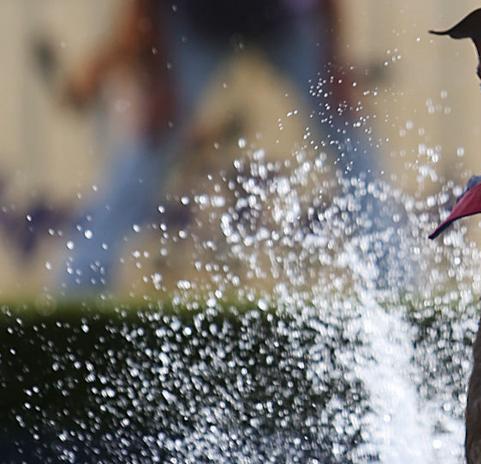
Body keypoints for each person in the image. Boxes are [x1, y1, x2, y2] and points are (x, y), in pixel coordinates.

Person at [59, 0, 396, 292]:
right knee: (147, 149)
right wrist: (161, 81)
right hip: (199, 25)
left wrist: (334, 66)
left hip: (283, 24)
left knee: (350, 140)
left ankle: (396, 281)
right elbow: (146, 9)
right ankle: (78, 286)